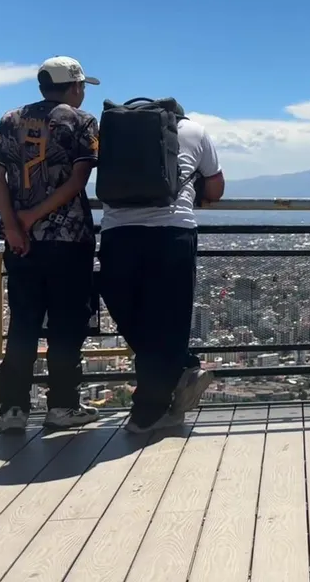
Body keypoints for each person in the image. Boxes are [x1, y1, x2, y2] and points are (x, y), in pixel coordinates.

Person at [0, 56, 103, 433]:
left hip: (21, 242)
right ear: (75, 86)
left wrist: (14, 224)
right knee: (66, 325)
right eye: (82, 87)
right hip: (70, 240)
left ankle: (12, 409)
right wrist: (35, 215)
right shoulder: (82, 121)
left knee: (23, 322)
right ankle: (63, 406)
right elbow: (78, 180)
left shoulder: (11, 119)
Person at [96, 100, 225, 433]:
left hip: (118, 234)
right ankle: (157, 402)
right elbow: (216, 188)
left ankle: (163, 391)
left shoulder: (112, 132)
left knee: (133, 317)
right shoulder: (195, 131)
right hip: (173, 232)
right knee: (170, 318)